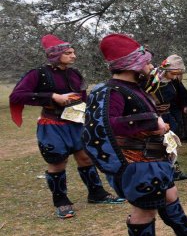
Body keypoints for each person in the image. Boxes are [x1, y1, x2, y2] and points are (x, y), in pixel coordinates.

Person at [83, 33, 187, 235]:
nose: (151, 66)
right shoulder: (110, 91)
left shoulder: (134, 88)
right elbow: (104, 125)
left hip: (153, 159)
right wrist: (152, 122)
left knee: (170, 195)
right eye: (147, 62)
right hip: (136, 163)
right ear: (132, 64)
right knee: (145, 210)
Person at [9, 34, 123, 219]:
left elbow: (83, 97)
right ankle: (61, 201)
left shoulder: (74, 73)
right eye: (68, 53)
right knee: (57, 162)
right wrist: (52, 97)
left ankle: (96, 193)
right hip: (52, 125)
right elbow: (17, 96)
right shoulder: (38, 73)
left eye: (73, 52)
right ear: (56, 54)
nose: (74, 56)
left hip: (76, 123)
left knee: (86, 158)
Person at [145, 55, 187, 181]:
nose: (176, 76)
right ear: (167, 70)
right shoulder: (150, 80)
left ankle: (174, 171)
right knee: (158, 145)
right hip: (154, 118)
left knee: (171, 144)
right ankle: (159, 172)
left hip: (168, 115)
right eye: (174, 73)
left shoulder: (172, 82)